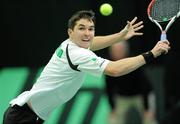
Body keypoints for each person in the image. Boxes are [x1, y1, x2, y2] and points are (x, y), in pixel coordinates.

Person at [3, 10, 170, 124]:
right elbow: (115, 69)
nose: (87, 33)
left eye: (91, 29)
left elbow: (93, 42)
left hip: (27, 115)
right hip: (22, 118)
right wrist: (152, 53)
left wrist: (120, 36)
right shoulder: (78, 55)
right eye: (81, 28)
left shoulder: (68, 45)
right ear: (70, 32)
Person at [106, 42, 157, 124]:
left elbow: (144, 86)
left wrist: (147, 109)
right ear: (111, 52)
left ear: (126, 50)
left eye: (120, 50)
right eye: (115, 50)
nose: (118, 52)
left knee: (149, 119)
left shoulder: (133, 62)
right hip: (122, 97)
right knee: (113, 120)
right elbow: (109, 88)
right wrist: (113, 108)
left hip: (141, 95)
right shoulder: (108, 65)